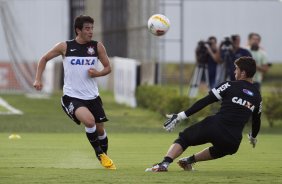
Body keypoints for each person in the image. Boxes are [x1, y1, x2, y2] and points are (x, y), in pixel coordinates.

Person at [146, 56, 262, 172]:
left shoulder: (229, 85)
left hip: (215, 126)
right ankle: (189, 161)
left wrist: (181, 116)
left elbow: (206, 101)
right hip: (233, 138)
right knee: (222, 150)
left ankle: (164, 164)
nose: (234, 71)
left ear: (243, 73)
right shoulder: (257, 96)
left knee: (184, 138)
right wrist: (253, 137)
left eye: (236, 69)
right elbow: (256, 121)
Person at [33, 15, 116, 169]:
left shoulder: (97, 47)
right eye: (87, 28)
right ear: (78, 30)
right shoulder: (65, 46)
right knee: (89, 121)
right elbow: (44, 58)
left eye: (92, 28)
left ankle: (104, 158)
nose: (91, 31)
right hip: (72, 97)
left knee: (100, 129)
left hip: (93, 97)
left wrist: (97, 73)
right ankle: (99, 154)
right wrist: (38, 79)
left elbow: (108, 67)